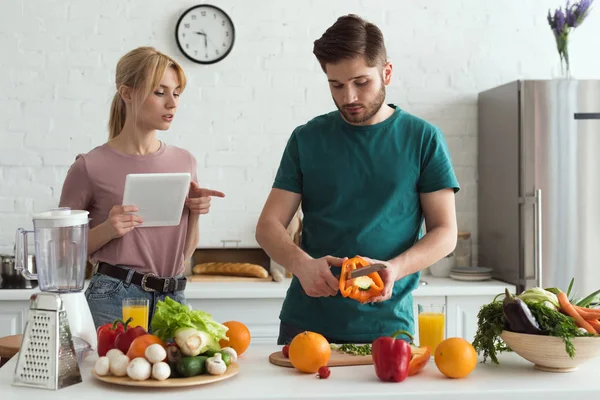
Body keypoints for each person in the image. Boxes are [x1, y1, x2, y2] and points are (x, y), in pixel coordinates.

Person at [255, 15, 460, 345]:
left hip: (389, 325)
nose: (348, 96)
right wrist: (301, 265)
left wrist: (394, 268)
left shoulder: (423, 138)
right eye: (336, 85)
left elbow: (446, 232)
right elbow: (268, 226)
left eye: (361, 82)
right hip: (307, 324)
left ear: (386, 73)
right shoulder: (306, 139)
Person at [59, 46, 225, 330]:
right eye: (160, 92)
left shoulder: (185, 161)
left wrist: (194, 212)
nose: (172, 103)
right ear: (128, 93)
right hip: (113, 298)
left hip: (172, 298)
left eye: (176, 93)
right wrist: (108, 229)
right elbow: (61, 251)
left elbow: (183, 254)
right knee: (115, 374)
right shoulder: (89, 166)